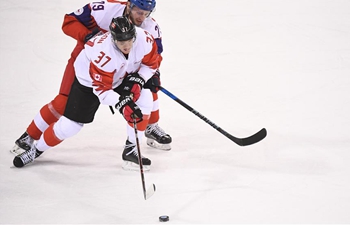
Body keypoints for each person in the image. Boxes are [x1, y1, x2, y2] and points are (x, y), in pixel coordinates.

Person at [11, 0, 172, 169]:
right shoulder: (103, 49)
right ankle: (34, 145)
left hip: (123, 70)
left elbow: (152, 61)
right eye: (139, 11)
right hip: (90, 76)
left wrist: (141, 79)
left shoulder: (146, 36)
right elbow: (102, 91)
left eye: (147, 13)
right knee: (68, 119)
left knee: (146, 95)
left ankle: (134, 147)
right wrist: (123, 103)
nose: (127, 47)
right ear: (128, 5)